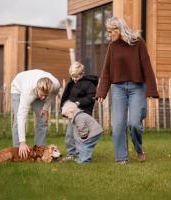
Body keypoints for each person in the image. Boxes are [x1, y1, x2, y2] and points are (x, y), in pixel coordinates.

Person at [96, 16, 159, 165]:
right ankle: (121, 158)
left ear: (119, 29)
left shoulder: (138, 43)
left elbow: (147, 67)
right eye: (108, 31)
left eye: (111, 31)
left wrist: (151, 90)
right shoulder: (112, 46)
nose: (109, 34)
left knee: (134, 124)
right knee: (118, 125)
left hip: (137, 87)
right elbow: (106, 71)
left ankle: (138, 149)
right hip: (118, 88)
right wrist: (101, 92)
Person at [11, 69, 60, 159]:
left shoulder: (55, 84)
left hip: (36, 88)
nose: (43, 98)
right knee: (18, 121)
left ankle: (39, 151)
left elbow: (53, 95)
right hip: (18, 88)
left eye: (46, 95)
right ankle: (18, 151)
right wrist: (22, 142)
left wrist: (45, 108)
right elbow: (21, 116)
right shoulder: (28, 92)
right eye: (42, 95)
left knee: (42, 119)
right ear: (37, 89)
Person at [60, 61, 98, 161]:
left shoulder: (89, 84)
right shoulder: (71, 84)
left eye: (77, 76)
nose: (75, 79)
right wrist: (64, 109)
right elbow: (65, 97)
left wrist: (78, 103)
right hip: (71, 114)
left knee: (79, 135)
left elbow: (91, 98)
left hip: (82, 113)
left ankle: (80, 154)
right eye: (73, 76)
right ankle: (71, 153)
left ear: (82, 74)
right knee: (69, 134)